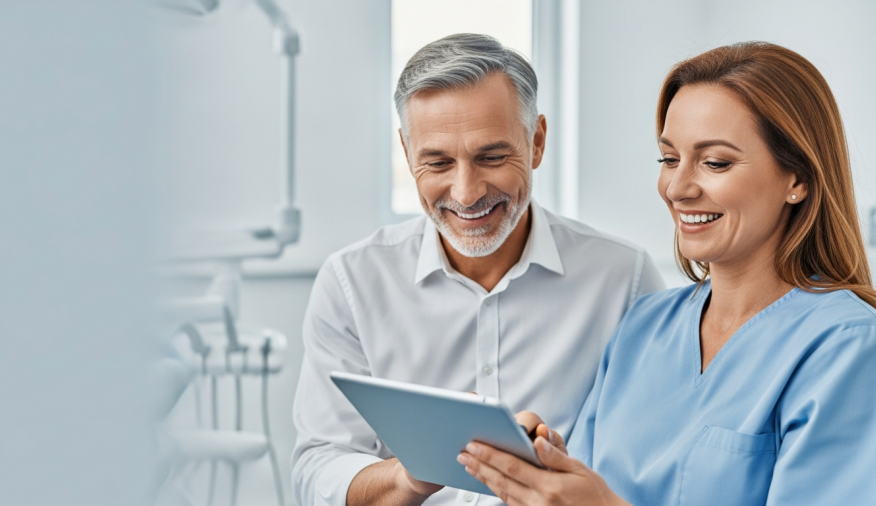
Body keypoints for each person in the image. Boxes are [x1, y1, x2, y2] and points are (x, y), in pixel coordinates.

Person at [458, 41, 876, 505]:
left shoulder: (849, 347)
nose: (677, 188)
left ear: (796, 179)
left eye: (715, 162)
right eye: (669, 159)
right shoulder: (643, 326)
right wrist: (549, 475)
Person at [291, 34, 665, 506]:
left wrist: (567, 475)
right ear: (407, 153)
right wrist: (411, 475)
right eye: (438, 162)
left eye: (491, 157)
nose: (466, 193)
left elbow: (654, 460)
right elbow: (318, 468)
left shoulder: (624, 279)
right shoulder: (352, 281)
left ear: (537, 142)